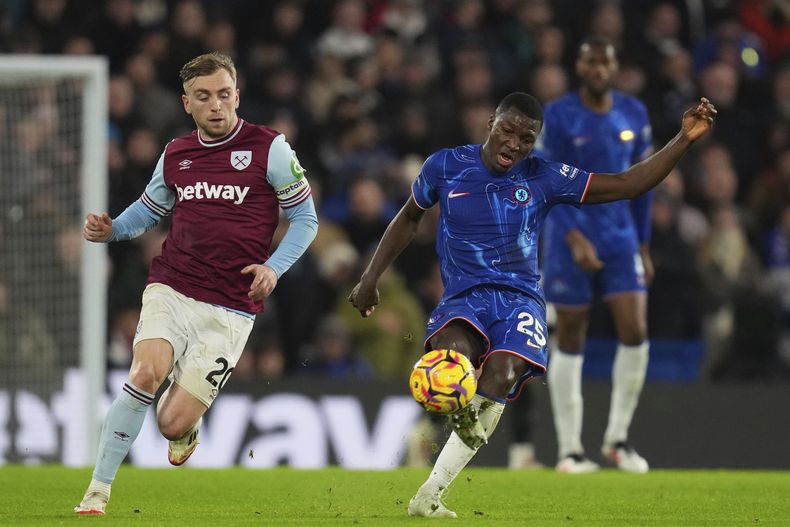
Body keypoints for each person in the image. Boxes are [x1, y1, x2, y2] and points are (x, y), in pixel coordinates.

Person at [348, 91, 715, 517]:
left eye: (526, 138)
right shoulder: (446, 166)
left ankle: (430, 493)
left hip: (520, 300)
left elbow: (629, 183)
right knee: (451, 359)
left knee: (501, 377)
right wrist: (370, 277)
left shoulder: (545, 176)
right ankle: (457, 408)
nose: (514, 145)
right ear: (490, 123)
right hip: (464, 297)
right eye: (508, 131)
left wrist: (683, 140)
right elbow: (409, 217)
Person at [75, 52, 318, 515]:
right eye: (204, 97)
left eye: (224, 95)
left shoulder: (272, 148)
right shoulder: (177, 153)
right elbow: (149, 211)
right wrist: (112, 229)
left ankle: (186, 427)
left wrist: (273, 267)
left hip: (231, 307)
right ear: (188, 103)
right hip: (173, 283)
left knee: (169, 423)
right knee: (145, 372)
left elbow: (305, 219)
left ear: (237, 96)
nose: (216, 105)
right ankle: (98, 490)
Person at [537, 35, 656, 474]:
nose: (599, 70)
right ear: (580, 67)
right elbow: (546, 183)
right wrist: (571, 237)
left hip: (621, 235)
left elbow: (644, 182)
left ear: (615, 66)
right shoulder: (560, 115)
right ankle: (570, 449)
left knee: (635, 329)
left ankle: (618, 439)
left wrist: (643, 244)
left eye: (606, 63)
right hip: (571, 233)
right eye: (591, 63)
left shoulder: (634, 112)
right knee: (570, 331)